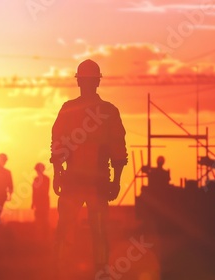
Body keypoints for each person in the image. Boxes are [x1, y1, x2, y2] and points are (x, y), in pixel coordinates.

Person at [51, 59, 128, 276]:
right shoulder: (109, 111)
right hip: (96, 182)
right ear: (97, 82)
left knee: (67, 230)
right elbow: (118, 149)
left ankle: (61, 270)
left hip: (77, 182)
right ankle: (100, 271)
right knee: (99, 231)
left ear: (80, 82)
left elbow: (58, 144)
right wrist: (116, 180)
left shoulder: (69, 109)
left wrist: (58, 174)